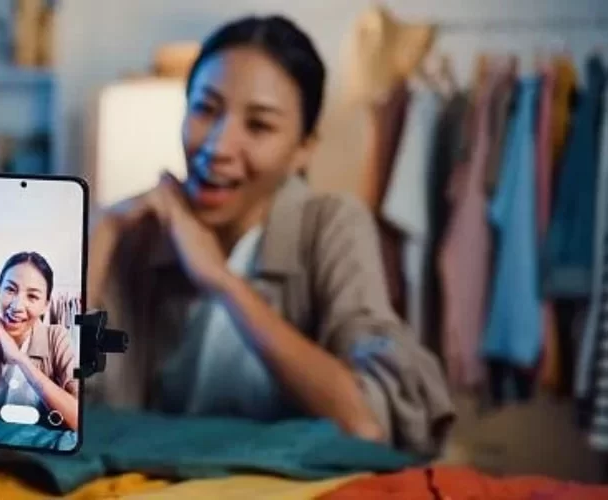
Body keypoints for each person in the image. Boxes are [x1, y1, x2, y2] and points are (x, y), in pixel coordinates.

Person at [87, 15, 455, 457]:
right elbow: (50, 401)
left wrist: (222, 283)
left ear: (303, 149)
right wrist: (103, 232)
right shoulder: (142, 235)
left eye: (258, 126)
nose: (219, 147)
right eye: (205, 109)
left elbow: (365, 421)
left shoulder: (329, 225)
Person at [0, 251, 79, 432]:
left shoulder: (57, 337)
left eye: (32, 296)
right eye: (10, 290)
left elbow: (78, 419)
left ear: (46, 305)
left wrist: (19, 359)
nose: (17, 306)